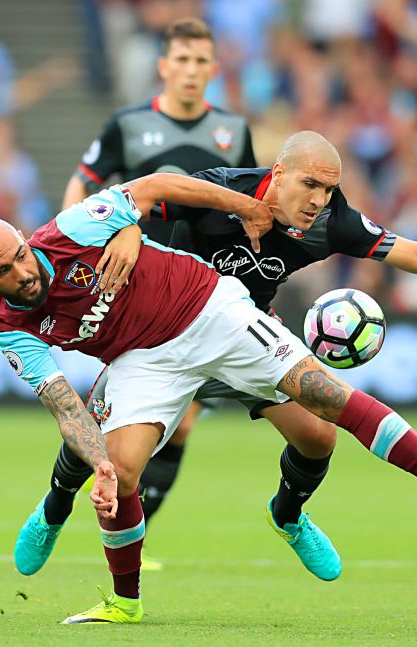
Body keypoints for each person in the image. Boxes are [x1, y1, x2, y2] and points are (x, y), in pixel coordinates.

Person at [0, 141, 417, 625]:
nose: (21, 272)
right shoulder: (8, 319)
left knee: (322, 420)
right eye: (3, 271)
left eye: (20, 255)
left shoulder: (333, 222)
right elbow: (61, 398)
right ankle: (117, 591)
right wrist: (132, 224)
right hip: (140, 358)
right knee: (113, 469)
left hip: (215, 313)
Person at [55, 17, 257, 559]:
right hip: (137, 293)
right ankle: (54, 507)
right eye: (181, 61)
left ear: (214, 70)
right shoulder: (128, 124)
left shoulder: (234, 131)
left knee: (181, 424)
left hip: (200, 293)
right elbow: (86, 180)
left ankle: (136, 534)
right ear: (164, 66)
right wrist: (67, 228)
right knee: (105, 412)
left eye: (200, 62)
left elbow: (240, 199)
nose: (190, 71)